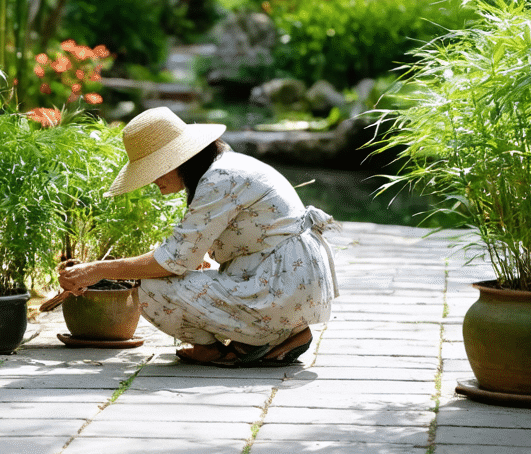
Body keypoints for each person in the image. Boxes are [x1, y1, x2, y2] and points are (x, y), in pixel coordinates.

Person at [58, 107, 338, 367]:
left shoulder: (218, 179)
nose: (153, 181)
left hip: (282, 288)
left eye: (154, 170)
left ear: (179, 159)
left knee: (154, 288)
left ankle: (232, 344)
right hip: (290, 283)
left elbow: (172, 261)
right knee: (173, 277)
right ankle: (279, 334)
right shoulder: (225, 167)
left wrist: (97, 270)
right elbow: (192, 252)